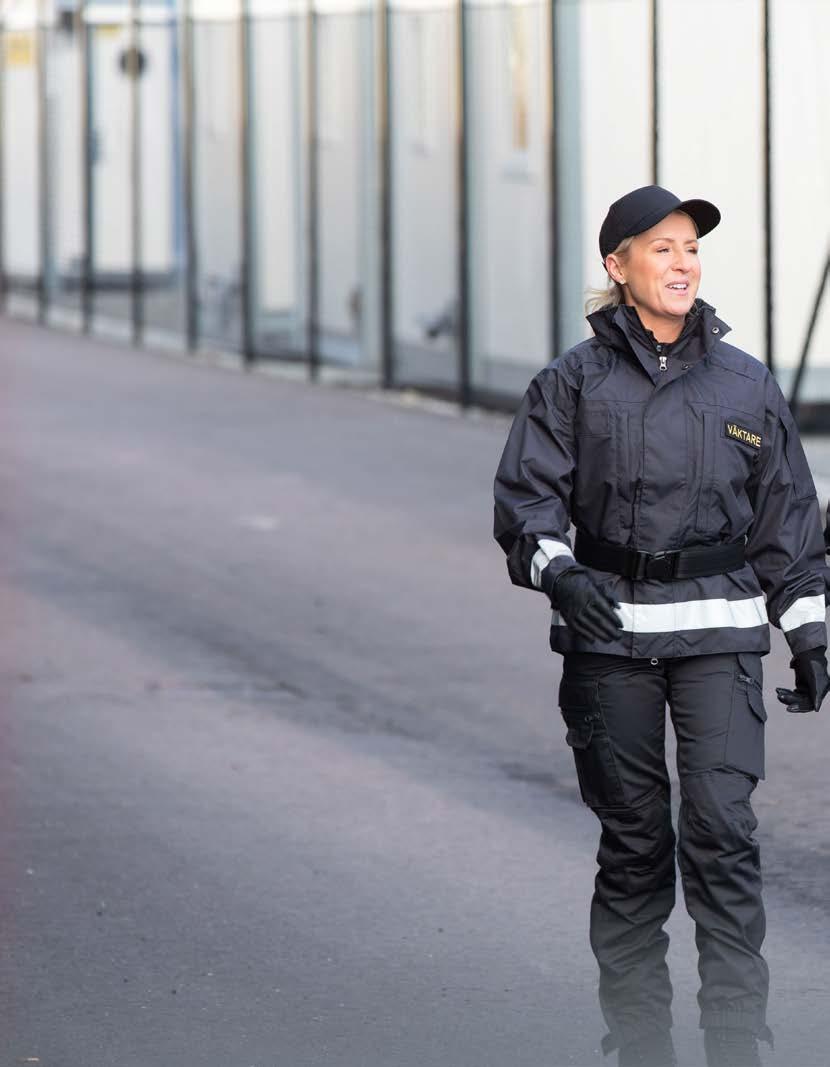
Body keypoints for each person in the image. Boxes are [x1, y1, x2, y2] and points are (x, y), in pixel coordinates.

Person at [493, 185, 830, 1067]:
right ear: (618, 266)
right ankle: (641, 1043)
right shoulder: (571, 383)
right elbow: (526, 503)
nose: (683, 263)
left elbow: (789, 520)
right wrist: (561, 573)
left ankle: (735, 1042)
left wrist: (809, 629)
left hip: (720, 634)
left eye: (691, 248)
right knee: (636, 845)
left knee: (723, 834)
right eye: (662, 247)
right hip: (610, 641)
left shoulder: (746, 383)